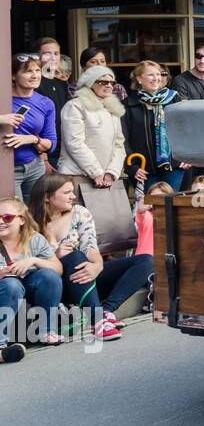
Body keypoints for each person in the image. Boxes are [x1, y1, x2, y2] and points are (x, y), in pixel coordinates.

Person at [29, 173, 151, 340]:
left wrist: (97, 265)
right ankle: (97, 320)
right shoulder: (30, 223)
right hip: (57, 286)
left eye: (72, 191)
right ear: (47, 197)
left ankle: (107, 310)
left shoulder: (79, 213)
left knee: (146, 260)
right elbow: (29, 264)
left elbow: (90, 245)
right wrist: (55, 257)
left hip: (84, 279)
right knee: (75, 256)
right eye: (66, 192)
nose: (73, 196)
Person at [0, 196, 63, 361]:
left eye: (7, 217)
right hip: (5, 289)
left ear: (21, 219)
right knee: (11, 284)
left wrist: (33, 260)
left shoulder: (33, 239)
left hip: (28, 285)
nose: (1, 221)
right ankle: (0, 344)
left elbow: (58, 268)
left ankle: (46, 331)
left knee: (49, 276)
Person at [56, 65, 126, 189]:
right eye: (103, 82)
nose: (109, 85)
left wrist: (112, 172)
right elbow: (74, 143)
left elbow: (119, 144)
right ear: (90, 84)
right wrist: (96, 172)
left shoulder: (113, 109)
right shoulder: (74, 106)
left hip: (107, 178)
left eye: (112, 82)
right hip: (77, 174)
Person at [123, 60, 187, 191]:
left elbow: (185, 129)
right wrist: (132, 167)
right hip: (143, 168)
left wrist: (187, 156)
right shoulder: (128, 104)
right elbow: (123, 138)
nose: (156, 78)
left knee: (171, 207)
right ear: (139, 79)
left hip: (173, 165)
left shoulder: (174, 98)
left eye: (158, 74)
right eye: (150, 75)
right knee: (148, 208)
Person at [6, 55, 57, 201]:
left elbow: (51, 144)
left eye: (37, 70)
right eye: (28, 71)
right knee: (16, 217)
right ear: (13, 76)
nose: (35, 75)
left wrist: (32, 139)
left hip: (34, 167)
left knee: (36, 216)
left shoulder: (46, 103)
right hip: (7, 169)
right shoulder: (3, 99)